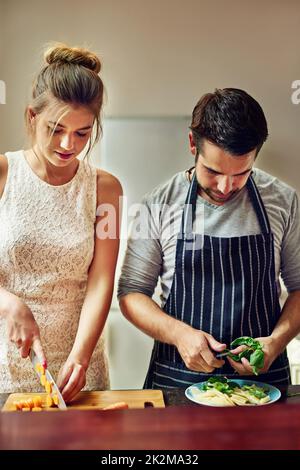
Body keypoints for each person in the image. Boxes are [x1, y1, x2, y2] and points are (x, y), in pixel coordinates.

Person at [118, 88, 300, 388]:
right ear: (193, 144)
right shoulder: (157, 204)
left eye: (241, 173)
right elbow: (131, 293)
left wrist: (276, 343)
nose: (226, 187)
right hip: (179, 378)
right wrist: (179, 335)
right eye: (213, 171)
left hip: (263, 383)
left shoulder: (283, 201)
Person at [0, 43, 122, 401]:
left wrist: (81, 359)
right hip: (7, 362)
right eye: (55, 128)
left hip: (80, 364)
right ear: (32, 117)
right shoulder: (3, 174)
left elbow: (101, 281)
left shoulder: (107, 189)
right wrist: (9, 303)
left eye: (82, 133)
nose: (68, 144)